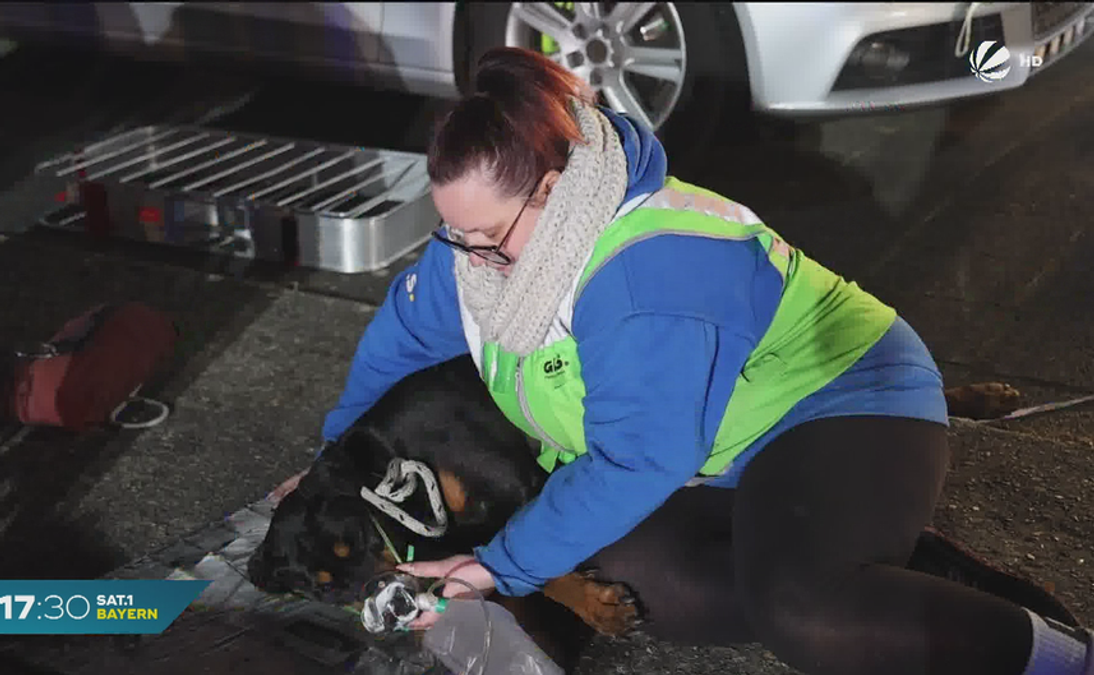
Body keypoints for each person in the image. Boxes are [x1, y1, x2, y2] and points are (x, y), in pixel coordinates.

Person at [274, 47, 1093, 675]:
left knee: (803, 611)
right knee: (633, 583)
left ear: (557, 192)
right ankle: (874, 559)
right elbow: (403, 336)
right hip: (716, 449)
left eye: (486, 232)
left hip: (836, 404)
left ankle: (1053, 651)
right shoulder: (482, 254)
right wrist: (332, 462)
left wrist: (495, 566)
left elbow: (640, 455)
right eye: (453, 230)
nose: (467, 254)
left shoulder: (643, 270)